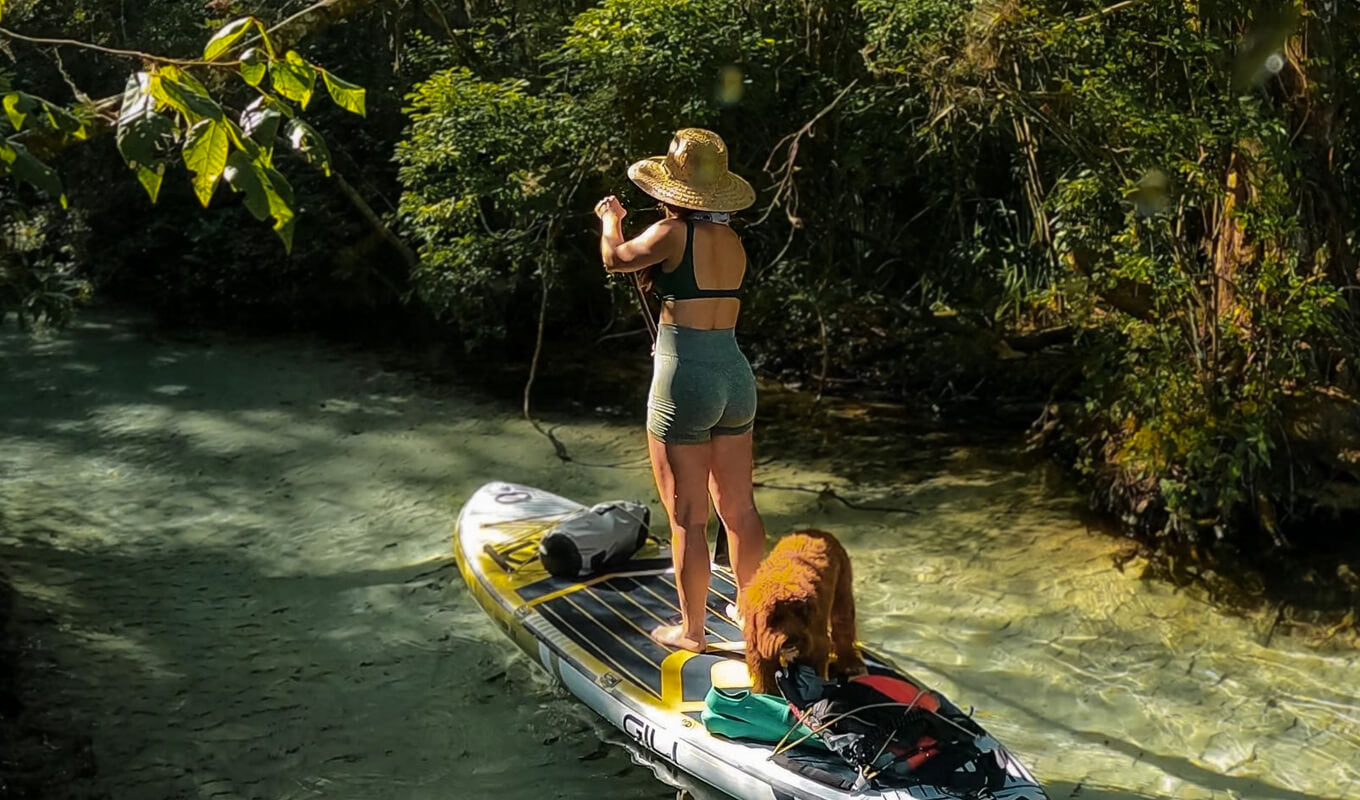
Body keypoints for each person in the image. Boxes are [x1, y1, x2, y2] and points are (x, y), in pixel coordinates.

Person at [595, 128, 767, 653]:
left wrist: (611, 221)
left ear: (674, 188)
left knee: (688, 517)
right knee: (739, 509)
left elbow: (616, 259)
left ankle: (691, 632)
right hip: (735, 374)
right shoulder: (733, 241)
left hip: (684, 380)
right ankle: (753, 614)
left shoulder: (672, 235)